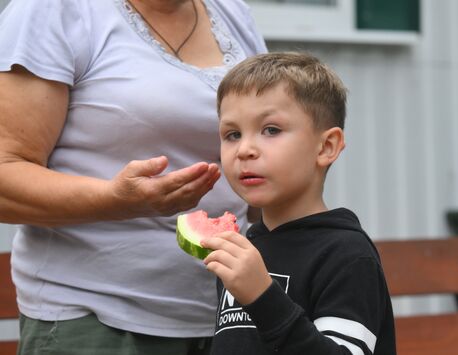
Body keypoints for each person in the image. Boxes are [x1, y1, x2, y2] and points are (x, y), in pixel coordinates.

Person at [0, 0, 266, 353]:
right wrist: (117, 201)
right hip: (98, 321)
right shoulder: (56, 8)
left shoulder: (231, 11)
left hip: (230, 319)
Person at [201, 52, 396, 355]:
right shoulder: (246, 247)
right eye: (232, 134)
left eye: (271, 130)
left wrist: (263, 296)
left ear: (326, 146)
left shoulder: (347, 255)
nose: (245, 150)